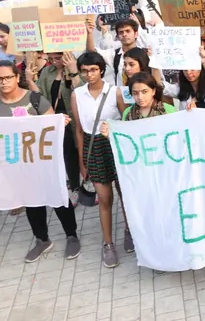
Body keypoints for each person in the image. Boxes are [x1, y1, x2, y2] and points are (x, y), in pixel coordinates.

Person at [0, 60, 81, 263]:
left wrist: (59, 123)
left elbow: (50, 124)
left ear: (17, 77)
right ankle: (42, 239)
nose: (3, 82)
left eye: (8, 77)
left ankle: (71, 235)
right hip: (16, 166)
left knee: (58, 196)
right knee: (31, 202)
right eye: (0, 79)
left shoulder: (34, 99)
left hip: (43, 162)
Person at [70, 52, 126, 267]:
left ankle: (130, 231)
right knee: (105, 199)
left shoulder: (114, 92)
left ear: (101, 69)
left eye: (93, 69)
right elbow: (79, 130)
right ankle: (108, 244)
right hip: (94, 149)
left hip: (115, 146)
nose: (89, 74)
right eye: (84, 71)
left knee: (125, 195)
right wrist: (82, 163)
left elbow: (126, 120)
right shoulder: (77, 94)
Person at [29, 52, 83, 193]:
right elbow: (38, 95)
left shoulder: (78, 66)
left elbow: (83, 92)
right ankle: (75, 186)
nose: (54, 61)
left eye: (57, 58)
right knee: (67, 153)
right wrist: (30, 81)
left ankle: (89, 183)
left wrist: (74, 71)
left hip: (77, 117)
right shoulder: (47, 71)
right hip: (57, 119)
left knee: (82, 152)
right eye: (51, 59)